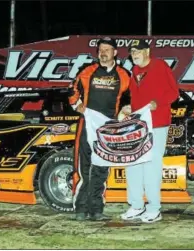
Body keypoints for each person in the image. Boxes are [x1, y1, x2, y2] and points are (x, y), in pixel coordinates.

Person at [68, 37, 131, 221]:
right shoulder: (87, 71)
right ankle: (80, 208)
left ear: (115, 52)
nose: (103, 53)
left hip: (109, 130)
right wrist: (76, 104)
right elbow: (72, 90)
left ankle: (96, 210)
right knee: (83, 168)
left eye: (107, 50)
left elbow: (132, 97)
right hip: (87, 126)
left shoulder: (124, 75)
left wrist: (127, 108)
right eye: (101, 50)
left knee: (101, 170)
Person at [120, 39, 179, 223]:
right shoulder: (135, 71)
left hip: (158, 124)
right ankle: (136, 205)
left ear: (147, 51)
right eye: (131, 51)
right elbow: (135, 96)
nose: (134, 54)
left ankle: (154, 208)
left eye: (137, 51)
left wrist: (158, 103)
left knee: (151, 165)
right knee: (133, 162)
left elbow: (174, 92)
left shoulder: (160, 66)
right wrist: (129, 107)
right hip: (139, 124)